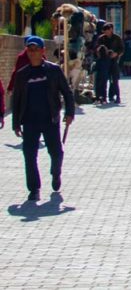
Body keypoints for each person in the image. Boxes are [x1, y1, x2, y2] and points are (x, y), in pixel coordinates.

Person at [10, 36, 74, 201]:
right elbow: (16, 100)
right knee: (29, 154)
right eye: (29, 50)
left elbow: (66, 92)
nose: (32, 53)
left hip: (50, 119)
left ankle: (55, 172)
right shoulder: (22, 74)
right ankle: (34, 188)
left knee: (56, 152)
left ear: (42, 51)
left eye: (35, 49)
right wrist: (16, 123)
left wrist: (69, 113)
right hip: (30, 121)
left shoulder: (53, 70)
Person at [95, 23, 124, 104]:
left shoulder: (117, 38)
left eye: (106, 30)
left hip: (114, 61)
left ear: (111, 29)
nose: (105, 33)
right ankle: (103, 98)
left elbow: (121, 49)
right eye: (104, 31)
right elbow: (97, 48)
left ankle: (116, 96)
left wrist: (116, 53)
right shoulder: (101, 38)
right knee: (103, 80)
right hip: (104, 62)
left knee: (115, 80)